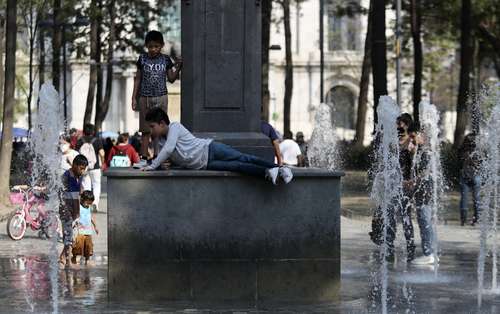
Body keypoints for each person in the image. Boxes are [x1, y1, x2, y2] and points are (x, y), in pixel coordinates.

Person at [141, 108, 293, 184]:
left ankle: (279, 168)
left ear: (162, 123)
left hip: (210, 148)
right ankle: (267, 172)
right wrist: (163, 165)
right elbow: (171, 157)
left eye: (152, 126)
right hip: (206, 164)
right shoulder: (161, 142)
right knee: (238, 167)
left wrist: (153, 165)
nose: (151, 130)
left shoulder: (175, 127)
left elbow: (168, 150)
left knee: (243, 157)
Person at [131, 30, 183, 160]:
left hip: (161, 97)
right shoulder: (142, 58)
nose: (153, 49)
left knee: (159, 129)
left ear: (162, 46)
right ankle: (143, 157)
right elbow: (137, 78)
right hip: (145, 97)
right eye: (150, 46)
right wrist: (133, 97)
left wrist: (178, 67)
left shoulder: (166, 59)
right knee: (145, 129)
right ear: (146, 46)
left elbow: (171, 78)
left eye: (156, 46)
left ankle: (157, 155)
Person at [407, 123, 437, 265]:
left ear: (420, 135)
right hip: (424, 191)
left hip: (426, 192)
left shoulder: (426, 151)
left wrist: (411, 182)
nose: (411, 140)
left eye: (413, 137)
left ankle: (429, 253)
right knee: (426, 221)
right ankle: (432, 252)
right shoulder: (421, 150)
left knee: (425, 221)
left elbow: (425, 172)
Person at [59, 154, 88, 268]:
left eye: (84, 169)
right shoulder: (68, 176)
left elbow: (78, 193)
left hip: (73, 209)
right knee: (69, 236)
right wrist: (74, 213)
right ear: (74, 165)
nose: (82, 171)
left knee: (72, 236)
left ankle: (62, 258)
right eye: (81, 168)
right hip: (66, 210)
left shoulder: (77, 176)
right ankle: (67, 263)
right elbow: (69, 196)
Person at [76, 124, 105, 212]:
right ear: (93, 131)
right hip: (95, 167)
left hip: (84, 167)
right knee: (96, 185)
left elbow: (76, 153)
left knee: (86, 186)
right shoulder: (97, 140)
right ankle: (95, 203)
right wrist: (102, 162)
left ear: (84, 131)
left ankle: (86, 204)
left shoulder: (80, 140)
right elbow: (102, 153)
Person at [459, 133, 481, 226]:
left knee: (465, 198)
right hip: (475, 176)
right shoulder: (478, 151)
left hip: (465, 176)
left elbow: (459, 162)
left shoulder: (462, 150)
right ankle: (475, 219)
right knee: (476, 199)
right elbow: (481, 164)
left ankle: (463, 220)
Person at [72, 190, 99, 266]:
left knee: (88, 247)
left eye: (90, 203)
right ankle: (75, 259)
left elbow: (92, 218)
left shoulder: (89, 208)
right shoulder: (79, 207)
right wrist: (74, 224)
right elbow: (75, 216)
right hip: (79, 232)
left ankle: (87, 260)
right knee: (78, 247)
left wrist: (95, 226)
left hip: (88, 232)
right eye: (87, 202)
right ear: (82, 200)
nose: (88, 204)